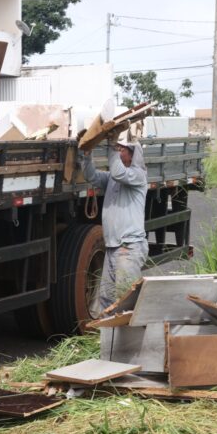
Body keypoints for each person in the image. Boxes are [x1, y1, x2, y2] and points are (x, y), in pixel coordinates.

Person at [79, 131, 148, 315]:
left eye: (122, 149)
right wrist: (86, 154)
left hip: (129, 247)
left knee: (126, 300)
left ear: (133, 154)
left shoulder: (138, 175)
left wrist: (111, 144)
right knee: (107, 300)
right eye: (118, 148)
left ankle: (129, 341)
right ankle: (109, 340)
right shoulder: (113, 178)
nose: (119, 151)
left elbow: (118, 173)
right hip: (113, 247)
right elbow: (91, 176)